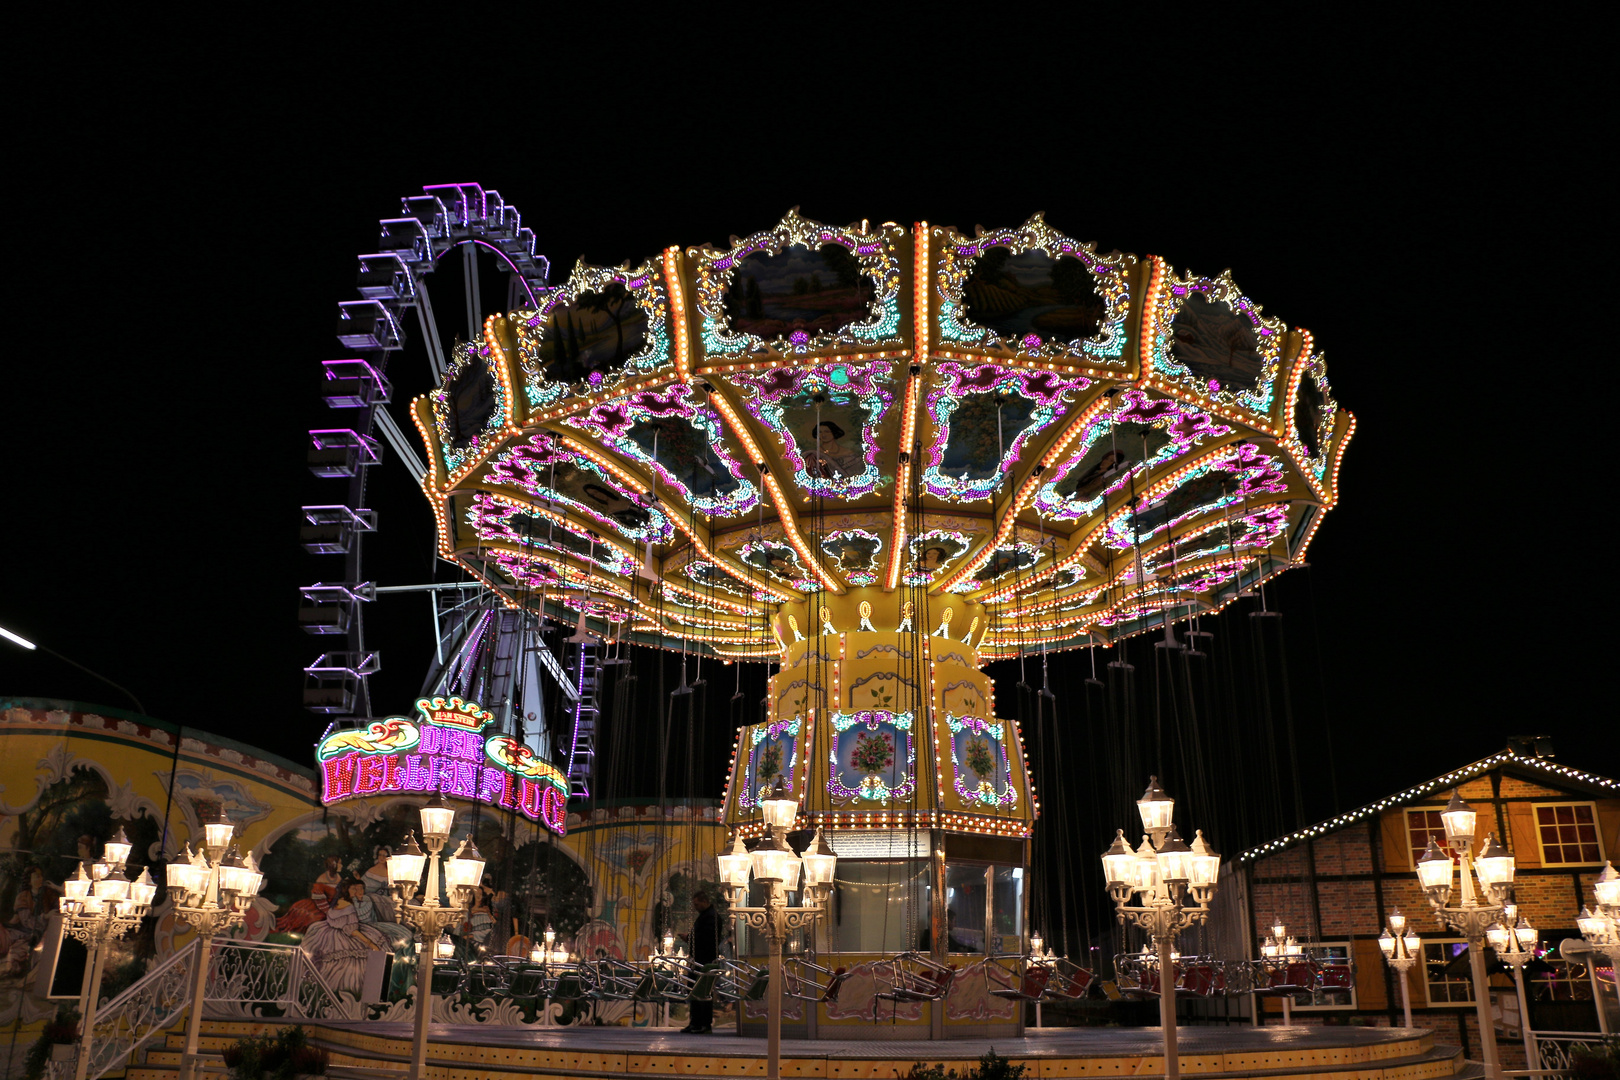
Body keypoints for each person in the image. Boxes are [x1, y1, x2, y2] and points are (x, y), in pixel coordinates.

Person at [301, 878, 387, 998]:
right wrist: (370, 943)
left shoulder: (336, 902)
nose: (355, 890)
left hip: (326, 934)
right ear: (346, 890)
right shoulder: (349, 906)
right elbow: (352, 930)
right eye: (353, 888)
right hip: (343, 937)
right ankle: (368, 997)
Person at [680, 892, 719, 1034]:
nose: (695, 907)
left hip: (704, 960)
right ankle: (695, 1022)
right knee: (694, 992)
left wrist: (689, 937)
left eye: (697, 904)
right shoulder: (705, 916)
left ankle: (704, 1024)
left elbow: (705, 938)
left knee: (703, 993)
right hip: (698, 960)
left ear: (704, 901)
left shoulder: (711, 917)